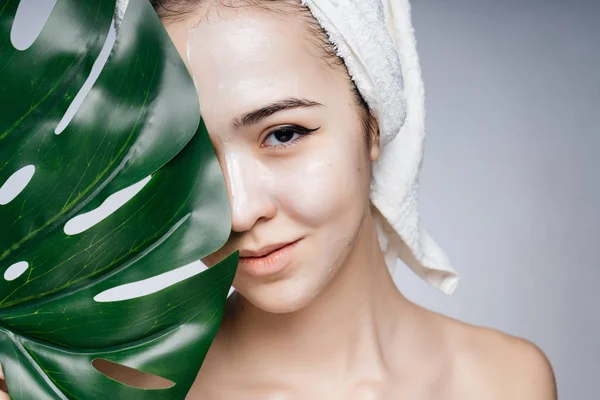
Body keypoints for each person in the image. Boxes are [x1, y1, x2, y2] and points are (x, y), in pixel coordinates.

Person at [0, 0, 557, 399]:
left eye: (283, 134)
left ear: (373, 121)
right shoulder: (119, 390)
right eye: (186, 156)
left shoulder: (507, 381)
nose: (239, 211)